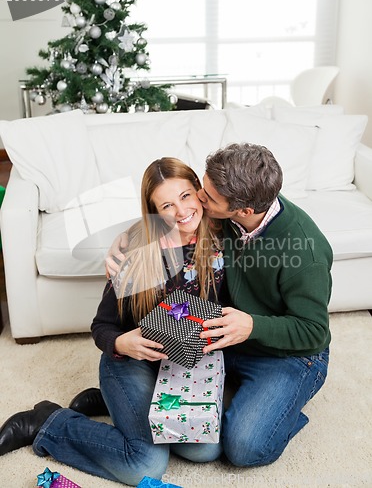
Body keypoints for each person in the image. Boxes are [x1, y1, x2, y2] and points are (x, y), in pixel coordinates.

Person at [103, 142, 333, 467]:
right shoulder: (226, 212)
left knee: (243, 448)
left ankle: (278, 415)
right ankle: (123, 399)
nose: (199, 200)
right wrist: (131, 235)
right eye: (202, 188)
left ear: (243, 210)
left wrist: (253, 325)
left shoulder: (304, 252)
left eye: (206, 197)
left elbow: (314, 331)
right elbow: (171, 213)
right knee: (200, 439)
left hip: (290, 353)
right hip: (229, 341)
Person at [0, 158, 225, 485]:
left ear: (200, 193)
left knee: (205, 449)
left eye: (186, 196)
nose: (180, 211)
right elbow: (102, 327)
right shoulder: (138, 253)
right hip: (130, 362)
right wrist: (123, 343)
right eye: (166, 205)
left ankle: (109, 400)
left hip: (183, 367)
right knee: (145, 463)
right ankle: (48, 421)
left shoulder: (223, 240)